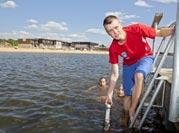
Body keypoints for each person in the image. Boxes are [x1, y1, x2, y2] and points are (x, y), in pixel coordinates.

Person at [103, 15, 175, 126]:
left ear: (121, 24)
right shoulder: (113, 48)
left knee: (139, 75)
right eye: (110, 31)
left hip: (145, 57)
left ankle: (133, 111)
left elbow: (159, 33)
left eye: (116, 27)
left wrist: (172, 30)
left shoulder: (136, 28)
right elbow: (114, 74)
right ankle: (126, 118)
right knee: (127, 95)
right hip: (128, 64)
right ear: (108, 34)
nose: (115, 32)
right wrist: (109, 94)